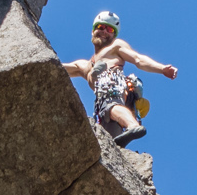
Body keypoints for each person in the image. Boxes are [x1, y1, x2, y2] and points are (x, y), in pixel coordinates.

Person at [62, 10, 177, 147]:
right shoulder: (84, 65)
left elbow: (138, 59)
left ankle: (133, 125)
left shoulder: (115, 46)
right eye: (101, 27)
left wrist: (161, 68)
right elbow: (57, 68)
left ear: (114, 35)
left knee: (109, 102)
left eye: (110, 29)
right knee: (109, 135)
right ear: (93, 31)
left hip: (112, 84)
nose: (104, 31)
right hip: (102, 101)